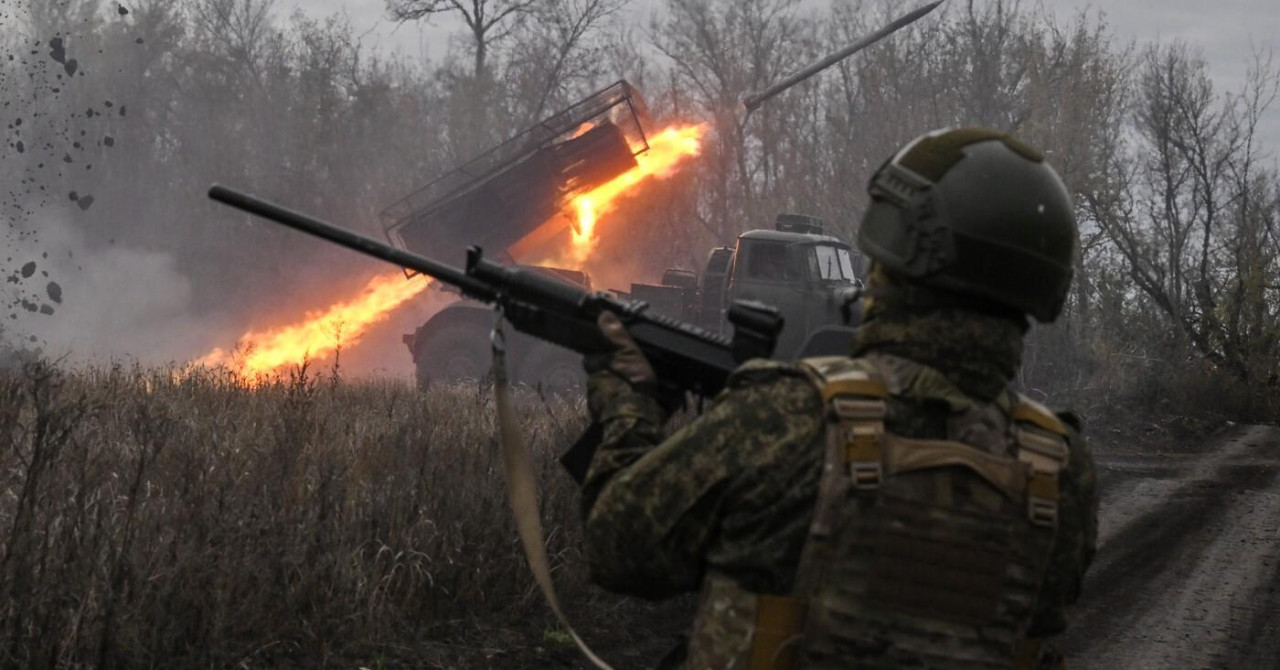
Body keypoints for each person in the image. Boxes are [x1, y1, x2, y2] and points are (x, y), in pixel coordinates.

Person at [578, 127, 1098, 670]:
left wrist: (629, 409)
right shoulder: (1062, 473)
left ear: (893, 257)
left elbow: (619, 548)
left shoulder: (789, 420)